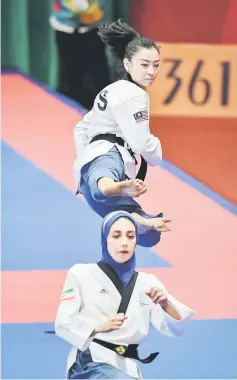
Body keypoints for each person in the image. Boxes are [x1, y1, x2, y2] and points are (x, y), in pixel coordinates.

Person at [55, 211, 194, 379]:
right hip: (90, 361)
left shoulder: (148, 282)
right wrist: (97, 328)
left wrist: (165, 304)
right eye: (116, 236)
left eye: (130, 236)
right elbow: (63, 322)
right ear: (104, 238)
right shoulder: (81, 274)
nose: (124, 243)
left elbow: (177, 327)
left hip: (126, 366)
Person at [73, 19, 171, 248]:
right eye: (145, 64)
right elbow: (140, 143)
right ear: (127, 64)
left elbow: (81, 128)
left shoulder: (112, 89)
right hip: (109, 159)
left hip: (88, 175)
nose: (151, 71)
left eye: (156, 65)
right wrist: (156, 153)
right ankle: (108, 185)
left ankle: (125, 204)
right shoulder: (134, 95)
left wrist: (86, 159)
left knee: (147, 232)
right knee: (105, 183)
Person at [50, 0, 110, 109]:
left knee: (98, 72)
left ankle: (104, 109)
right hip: (65, 27)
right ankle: (72, 108)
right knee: (70, 73)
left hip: (90, 28)